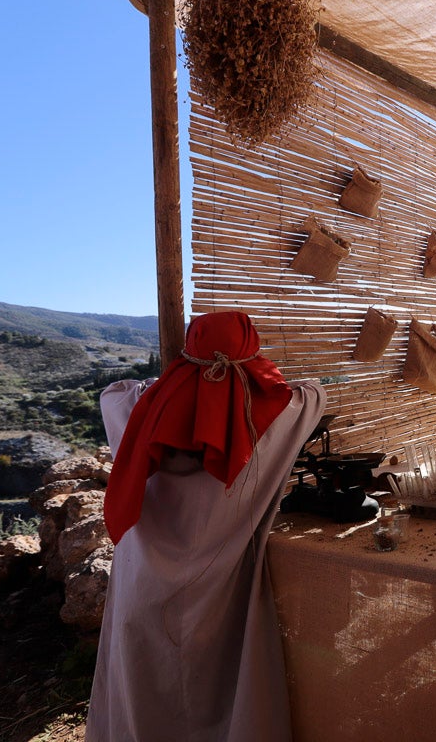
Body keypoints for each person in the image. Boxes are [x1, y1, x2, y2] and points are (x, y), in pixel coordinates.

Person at [86, 310, 325, 742]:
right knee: (221, 707)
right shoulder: (276, 417)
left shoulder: (140, 412)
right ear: (252, 354)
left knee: (145, 706)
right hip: (222, 606)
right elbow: (312, 393)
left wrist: (168, 386)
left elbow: (113, 393)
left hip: (145, 596)